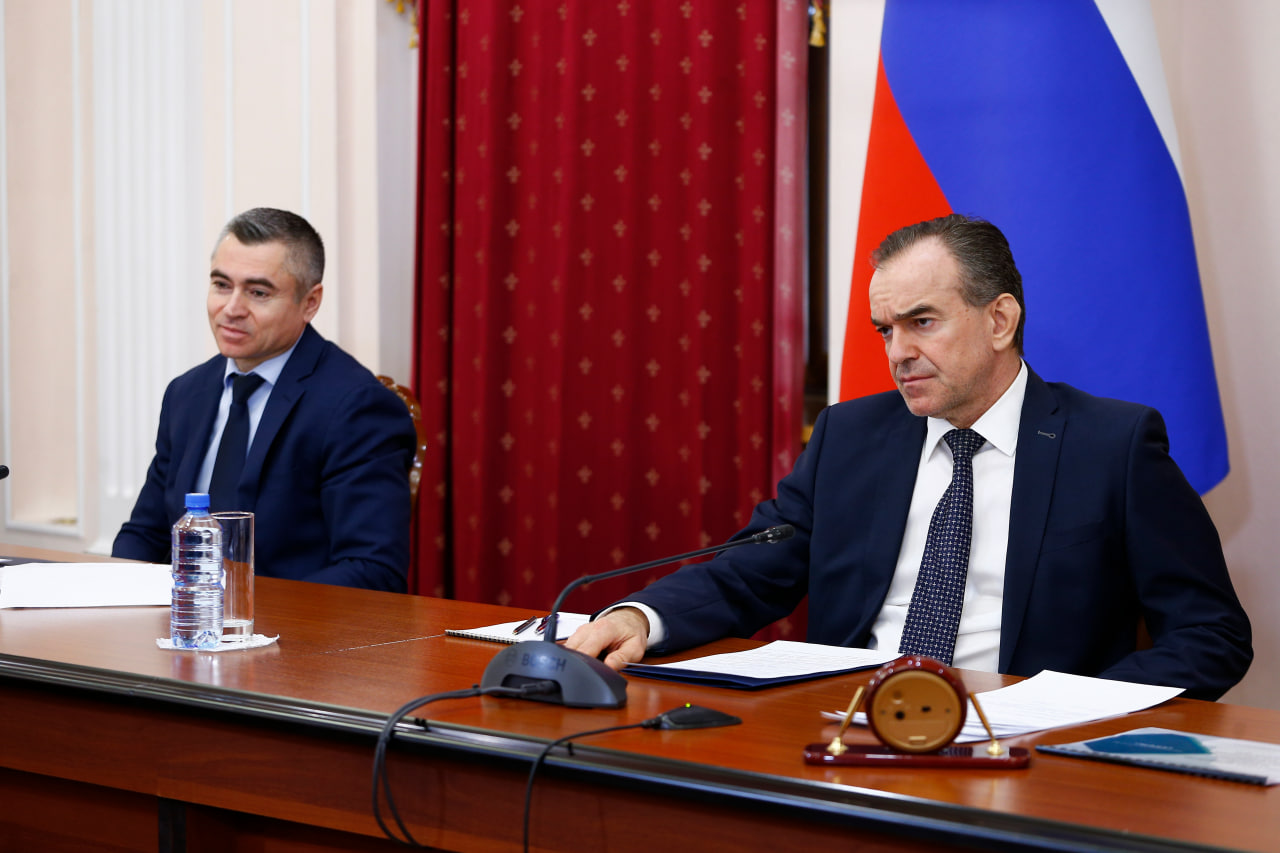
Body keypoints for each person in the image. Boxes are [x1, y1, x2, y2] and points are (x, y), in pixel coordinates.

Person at [567, 214, 1252, 701]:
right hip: (843, 728)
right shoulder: (849, 436)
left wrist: (1067, 710)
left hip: (1023, 748)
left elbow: (1211, 633)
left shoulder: (1112, 445)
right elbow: (748, 573)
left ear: (999, 320)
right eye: (885, 331)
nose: (898, 353)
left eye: (922, 322)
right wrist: (639, 618)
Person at [113, 208, 417, 591]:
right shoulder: (187, 394)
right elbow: (146, 533)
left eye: (258, 293)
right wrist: (111, 597)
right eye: (222, 285)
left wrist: (244, 611)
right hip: (186, 620)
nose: (232, 309)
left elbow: (372, 570)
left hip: (291, 625)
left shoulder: (356, 407)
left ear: (310, 302)